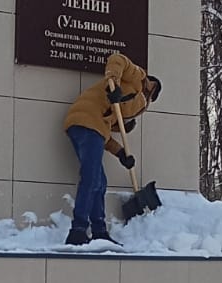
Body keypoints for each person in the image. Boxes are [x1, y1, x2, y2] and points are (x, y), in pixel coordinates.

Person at [62, 54, 162, 246]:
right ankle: (78, 230)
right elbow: (117, 59)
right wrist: (114, 83)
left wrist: (121, 153)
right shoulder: (138, 78)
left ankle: (99, 231)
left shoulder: (115, 106)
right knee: (91, 179)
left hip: (86, 125)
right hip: (87, 121)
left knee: (99, 181)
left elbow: (103, 133)